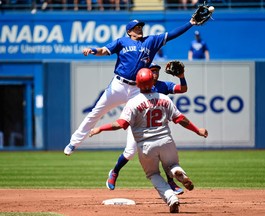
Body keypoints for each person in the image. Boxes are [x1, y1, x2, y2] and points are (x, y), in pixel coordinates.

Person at [64, 18, 199, 156]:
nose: (139, 29)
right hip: (119, 85)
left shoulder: (151, 41)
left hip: (137, 88)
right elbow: (103, 50)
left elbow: (171, 35)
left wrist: (190, 23)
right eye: (136, 27)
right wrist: (92, 50)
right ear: (129, 31)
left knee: (137, 118)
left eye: (140, 26)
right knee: (96, 112)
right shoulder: (122, 41)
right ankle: (74, 142)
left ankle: (129, 151)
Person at [89, 68, 208, 213]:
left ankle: (171, 198)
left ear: (137, 84)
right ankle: (177, 171)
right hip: (166, 141)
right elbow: (180, 119)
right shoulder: (164, 98)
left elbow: (121, 124)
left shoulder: (133, 102)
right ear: (153, 82)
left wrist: (100, 128)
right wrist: (198, 130)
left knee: (153, 174)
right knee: (171, 164)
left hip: (146, 146)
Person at [106, 62, 188, 195]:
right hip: (138, 126)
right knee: (130, 152)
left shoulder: (163, 85)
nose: (155, 73)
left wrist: (181, 76)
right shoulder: (137, 85)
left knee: (164, 153)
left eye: (156, 71)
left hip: (157, 127)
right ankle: (114, 172)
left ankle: (171, 182)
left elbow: (183, 89)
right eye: (152, 70)